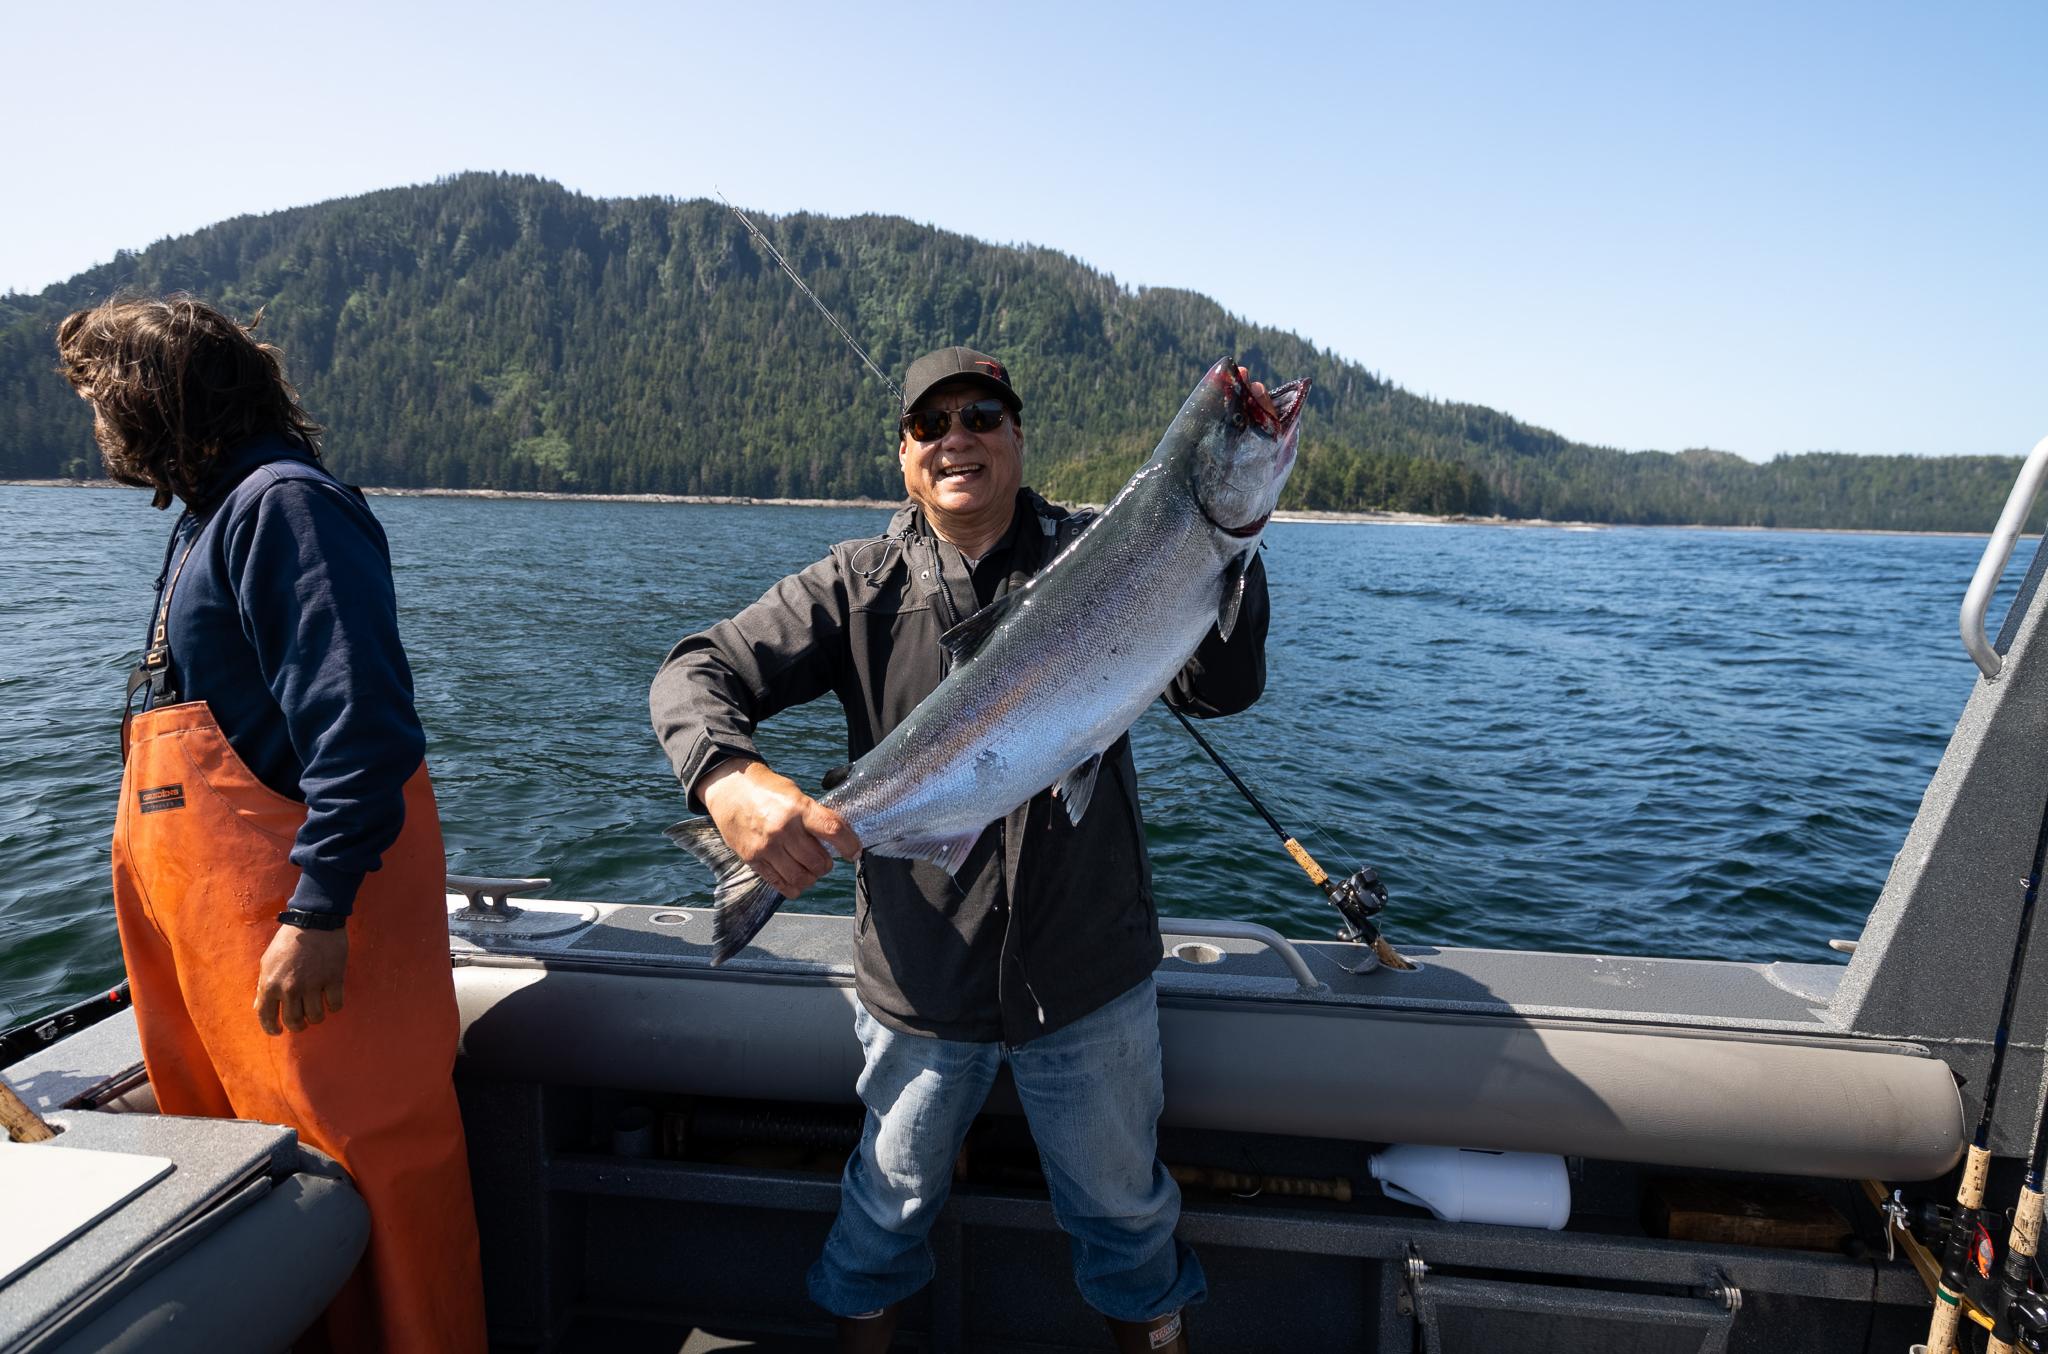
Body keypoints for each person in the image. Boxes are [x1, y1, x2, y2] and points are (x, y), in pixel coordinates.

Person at [650, 346, 1270, 1352]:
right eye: (930, 424)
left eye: (982, 415)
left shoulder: (1114, 548)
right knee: (882, 1214)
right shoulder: (856, 585)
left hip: (1085, 979)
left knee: (1125, 1224)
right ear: (902, 456)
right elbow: (694, 670)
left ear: (1018, 438)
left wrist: (1231, 556)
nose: (957, 438)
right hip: (920, 986)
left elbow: (1220, 687)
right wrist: (727, 778)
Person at [58, 293, 487, 1353]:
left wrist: (318, 908)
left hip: (305, 953)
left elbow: (365, 730)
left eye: (103, 406)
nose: (99, 433)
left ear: (155, 402)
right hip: (225, 973)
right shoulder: (209, 517)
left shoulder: (282, 507)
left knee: (381, 1182)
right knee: (273, 1187)